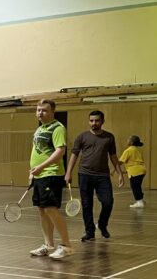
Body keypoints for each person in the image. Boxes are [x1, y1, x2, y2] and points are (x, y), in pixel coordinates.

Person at [64, 110, 124, 241]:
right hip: (84, 175)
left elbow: (113, 156)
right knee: (87, 204)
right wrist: (68, 172)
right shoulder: (82, 137)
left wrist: (120, 173)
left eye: (97, 120)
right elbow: (74, 155)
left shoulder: (109, 137)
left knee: (108, 202)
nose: (94, 123)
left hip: (103, 176)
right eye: (91, 121)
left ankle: (102, 225)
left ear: (102, 121)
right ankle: (89, 232)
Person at [29, 99, 74, 260]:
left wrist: (41, 167)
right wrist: (32, 172)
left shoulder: (57, 128)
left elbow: (60, 151)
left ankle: (67, 246)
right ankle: (48, 245)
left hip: (51, 174)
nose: (40, 113)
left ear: (52, 112)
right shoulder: (40, 129)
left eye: (44, 110)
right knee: (42, 210)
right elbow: (36, 152)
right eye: (38, 110)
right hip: (39, 175)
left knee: (50, 209)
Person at [120, 135, 147, 209]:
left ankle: (139, 202)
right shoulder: (137, 150)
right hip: (142, 170)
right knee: (137, 186)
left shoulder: (128, 150)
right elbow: (134, 162)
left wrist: (114, 169)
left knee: (135, 187)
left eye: (128, 139)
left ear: (131, 142)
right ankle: (141, 200)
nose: (127, 140)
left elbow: (120, 161)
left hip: (135, 171)